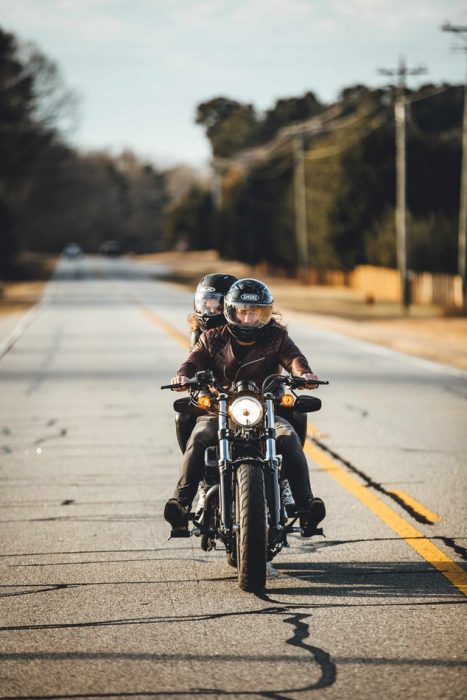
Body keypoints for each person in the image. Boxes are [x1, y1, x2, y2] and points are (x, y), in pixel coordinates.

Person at [164, 278, 326, 535]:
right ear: (231, 311)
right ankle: (181, 505)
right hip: (220, 409)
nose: (249, 318)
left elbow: (294, 358)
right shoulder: (212, 337)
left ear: (265, 313)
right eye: (243, 311)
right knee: (198, 438)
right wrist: (183, 376)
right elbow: (192, 361)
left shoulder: (277, 336)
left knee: (289, 438)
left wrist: (304, 374)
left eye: (255, 312)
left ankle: (306, 508)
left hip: (265, 409)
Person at [188, 273, 238, 349]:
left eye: (217, 308)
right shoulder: (197, 332)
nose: (206, 312)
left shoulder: (241, 336)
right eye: (206, 307)